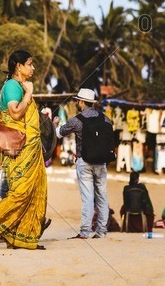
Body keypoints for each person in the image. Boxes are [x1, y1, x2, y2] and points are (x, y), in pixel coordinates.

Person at [0, 50, 48, 250]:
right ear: (18, 66)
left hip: (30, 148)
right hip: (21, 149)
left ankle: (22, 237)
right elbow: (14, 113)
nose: (33, 68)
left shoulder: (18, 86)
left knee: (33, 192)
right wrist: (30, 93)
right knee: (21, 193)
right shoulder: (14, 86)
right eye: (30, 64)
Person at [57, 88, 112, 239]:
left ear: (81, 102)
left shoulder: (77, 120)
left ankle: (85, 231)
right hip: (101, 162)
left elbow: (60, 133)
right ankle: (101, 231)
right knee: (102, 196)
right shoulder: (105, 119)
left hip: (84, 161)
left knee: (87, 198)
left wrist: (55, 124)